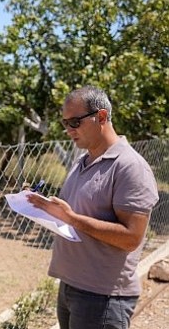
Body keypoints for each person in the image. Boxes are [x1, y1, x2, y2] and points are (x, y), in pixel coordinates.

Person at [27, 86, 159, 329]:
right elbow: (74, 215)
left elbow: (131, 238)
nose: (68, 131)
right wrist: (44, 208)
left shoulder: (130, 167)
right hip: (71, 287)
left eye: (75, 122)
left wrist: (73, 218)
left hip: (103, 297)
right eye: (65, 124)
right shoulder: (81, 161)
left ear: (100, 117)